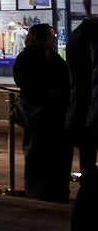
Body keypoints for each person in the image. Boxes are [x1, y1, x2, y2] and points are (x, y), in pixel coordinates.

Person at [13, 23, 72, 201]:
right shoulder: (29, 58)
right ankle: (39, 190)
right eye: (51, 36)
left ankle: (54, 189)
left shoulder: (52, 57)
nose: (54, 40)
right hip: (39, 113)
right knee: (37, 152)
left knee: (52, 154)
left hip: (54, 114)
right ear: (41, 38)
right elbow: (24, 81)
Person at [68, 0, 98, 231]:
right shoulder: (91, 35)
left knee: (90, 180)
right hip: (91, 118)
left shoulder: (81, 34)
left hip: (84, 117)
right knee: (91, 183)